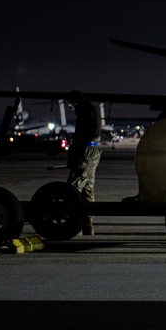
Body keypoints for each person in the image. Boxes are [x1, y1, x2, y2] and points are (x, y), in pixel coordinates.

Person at [66, 90, 102, 236]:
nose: (72, 108)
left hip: (86, 151)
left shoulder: (84, 111)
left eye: (71, 105)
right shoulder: (90, 109)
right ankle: (88, 225)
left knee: (71, 188)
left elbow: (81, 135)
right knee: (88, 190)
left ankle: (70, 223)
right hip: (93, 151)